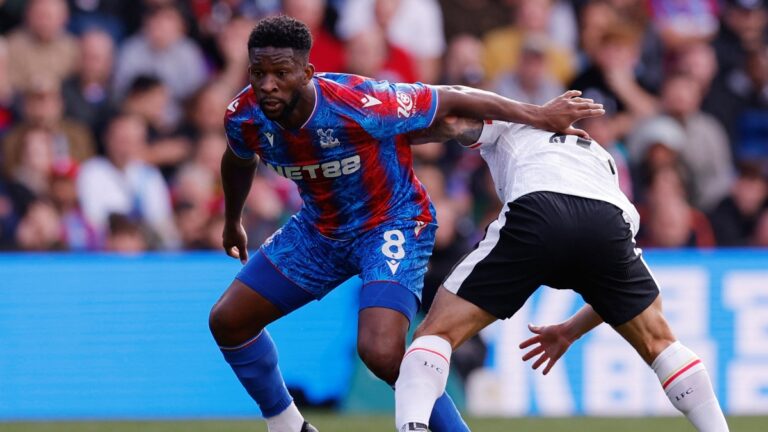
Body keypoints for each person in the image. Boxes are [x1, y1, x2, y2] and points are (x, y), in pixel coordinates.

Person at [208, 15, 603, 432]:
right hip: (320, 230)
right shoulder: (244, 115)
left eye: (281, 73)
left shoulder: (359, 102)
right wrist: (233, 220)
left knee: (381, 352)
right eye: (258, 73)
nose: (267, 84)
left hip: (390, 223)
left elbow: (449, 97)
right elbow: (238, 158)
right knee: (228, 320)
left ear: (307, 72)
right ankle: (288, 425)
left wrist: (537, 115)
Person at [393, 117, 729, 432]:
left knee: (436, 334)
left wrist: (394, 131)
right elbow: (612, 293)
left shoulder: (514, 122)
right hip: (607, 218)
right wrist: (570, 331)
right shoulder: (601, 156)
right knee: (660, 341)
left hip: (537, 207)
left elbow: (454, 118)